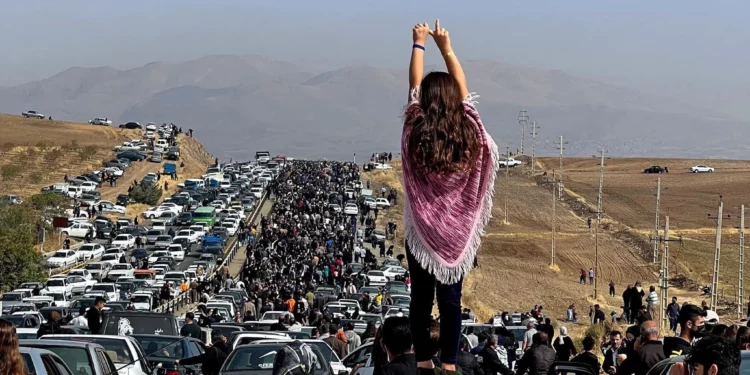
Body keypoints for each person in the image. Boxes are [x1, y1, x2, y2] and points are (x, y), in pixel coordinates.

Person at [403, 20, 498, 375]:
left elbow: (414, 87)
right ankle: (449, 364)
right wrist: (447, 47)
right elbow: (465, 93)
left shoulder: (414, 130)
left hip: (422, 233)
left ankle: (425, 360)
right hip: (457, 233)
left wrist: (419, 43)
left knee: (420, 300)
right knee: (451, 301)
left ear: (425, 101)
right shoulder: (471, 132)